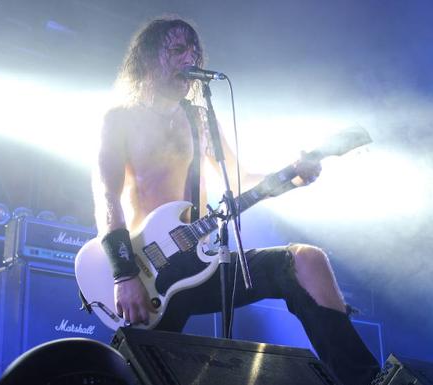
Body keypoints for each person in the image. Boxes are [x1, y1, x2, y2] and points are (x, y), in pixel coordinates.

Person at [93, 16, 380, 385]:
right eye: (178, 50)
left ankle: (366, 380)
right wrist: (124, 274)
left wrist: (293, 177)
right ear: (149, 59)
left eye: (194, 50)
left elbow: (240, 179)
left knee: (307, 261)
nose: (189, 59)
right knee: (131, 376)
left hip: (202, 263)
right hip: (149, 276)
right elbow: (106, 196)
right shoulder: (119, 119)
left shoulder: (199, 120)